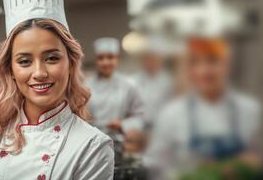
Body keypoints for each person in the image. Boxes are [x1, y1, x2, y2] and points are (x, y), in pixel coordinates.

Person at [0, 0, 114, 179]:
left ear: (70, 63)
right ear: (11, 70)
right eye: (24, 61)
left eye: (52, 58)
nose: (39, 72)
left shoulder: (92, 147)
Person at [143, 36, 261, 179]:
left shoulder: (251, 111)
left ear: (226, 65)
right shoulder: (171, 115)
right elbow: (156, 169)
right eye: (195, 62)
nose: (204, 70)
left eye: (212, 61)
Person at [86, 37, 145, 132]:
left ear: (117, 59)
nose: (105, 62)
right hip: (93, 140)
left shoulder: (129, 85)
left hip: (119, 141)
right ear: (96, 61)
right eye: (101, 58)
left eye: (110, 57)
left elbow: (140, 117)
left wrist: (123, 124)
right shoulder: (86, 85)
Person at [131, 35, 173, 128]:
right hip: (138, 127)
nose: (150, 61)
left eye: (153, 58)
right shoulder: (133, 81)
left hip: (163, 127)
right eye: (146, 58)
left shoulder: (169, 83)